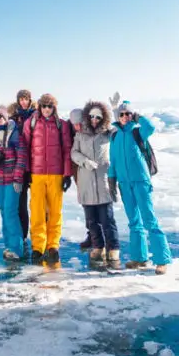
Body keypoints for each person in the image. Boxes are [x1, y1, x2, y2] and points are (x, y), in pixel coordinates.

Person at [109, 102, 172, 274]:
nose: (124, 117)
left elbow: (151, 127)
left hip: (140, 181)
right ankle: (139, 258)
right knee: (134, 222)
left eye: (127, 114)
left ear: (132, 115)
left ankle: (162, 260)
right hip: (124, 183)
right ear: (118, 116)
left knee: (149, 220)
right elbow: (113, 161)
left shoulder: (137, 131)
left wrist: (139, 118)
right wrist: (111, 181)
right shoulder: (114, 136)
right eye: (121, 114)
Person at [19, 93, 73, 263]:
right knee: (37, 211)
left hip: (56, 174)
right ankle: (38, 247)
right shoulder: (31, 123)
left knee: (55, 211)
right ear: (40, 107)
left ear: (54, 108)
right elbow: (25, 148)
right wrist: (26, 171)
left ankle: (53, 246)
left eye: (50, 106)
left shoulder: (61, 125)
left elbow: (67, 149)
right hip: (37, 174)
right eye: (44, 106)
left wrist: (67, 174)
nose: (47, 109)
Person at [70, 102, 121, 269]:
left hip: (102, 180)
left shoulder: (107, 133)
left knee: (107, 219)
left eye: (98, 117)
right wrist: (84, 162)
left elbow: (119, 130)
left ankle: (113, 248)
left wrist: (115, 110)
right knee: (92, 220)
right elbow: (74, 153)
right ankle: (98, 247)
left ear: (102, 118)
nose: (94, 119)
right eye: (92, 116)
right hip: (85, 180)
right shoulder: (80, 134)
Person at [0, 106, 26, 260]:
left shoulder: (14, 133)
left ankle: (16, 248)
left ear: (5, 117)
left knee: (10, 212)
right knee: (3, 213)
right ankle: (9, 246)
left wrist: (17, 178)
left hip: (11, 181)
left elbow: (21, 156)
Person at [7, 89, 36, 252]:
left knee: (40, 204)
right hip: (21, 165)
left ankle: (41, 236)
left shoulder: (36, 115)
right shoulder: (13, 117)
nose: (24, 102)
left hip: (36, 164)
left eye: (26, 99)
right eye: (21, 99)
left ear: (30, 100)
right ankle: (23, 237)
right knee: (21, 204)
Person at [68, 108, 93, 252]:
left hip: (93, 172)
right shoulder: (71, 132)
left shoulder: (92, 130)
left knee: (98, 204)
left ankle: (98, 236)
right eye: (74, 124)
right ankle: (92, 234)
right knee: (86, 203)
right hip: (79, 172)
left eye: (80, 123)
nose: (77, 126)